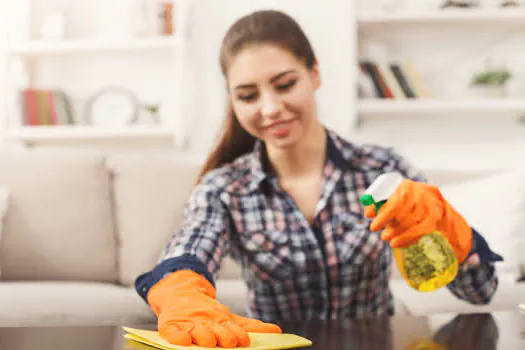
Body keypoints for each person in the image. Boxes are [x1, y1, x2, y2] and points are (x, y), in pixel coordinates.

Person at [134, 9, 502, 349]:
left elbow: (480, 292)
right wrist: (180, 289)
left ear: (315, 74)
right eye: (248, 95)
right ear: (233, 101)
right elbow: (191, 246)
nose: (270, 108)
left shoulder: (383, 171)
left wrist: (450, 233)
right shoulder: (224, 189)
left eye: (284, 84)